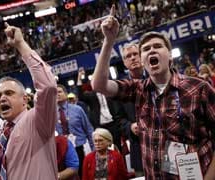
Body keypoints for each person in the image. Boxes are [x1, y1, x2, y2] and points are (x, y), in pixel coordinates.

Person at [91, 5, 215, 179]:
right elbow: (98, 85)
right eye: (146, 49)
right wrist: (109, 40)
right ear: (143, 60)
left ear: (170, 55)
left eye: (158, 46)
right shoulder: (138, 89)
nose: (152, 50)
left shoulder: (199, 88)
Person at [0, 23, 58, 180]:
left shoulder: (39, 120)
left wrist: (21, 45)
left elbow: (48, 86)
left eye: (9, 93)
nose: (2, 98)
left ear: (25, 99)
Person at [56, 84, 94, 178]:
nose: (57, 94)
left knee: (84, 176)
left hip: (79, 148)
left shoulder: (77, 109)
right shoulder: (49, 114)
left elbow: (89, 130)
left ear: (66, 94)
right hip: (62, 151)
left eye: (59, 92)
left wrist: (94, 150)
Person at [120, 43, 144, 176]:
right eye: (128, 56)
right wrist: (130, 126)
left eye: (135, 54)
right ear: (124, 62)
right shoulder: (120, 88)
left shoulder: (156, 77)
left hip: (165, 144)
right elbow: (119, 119)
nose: (133, 58)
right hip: (138, 146)